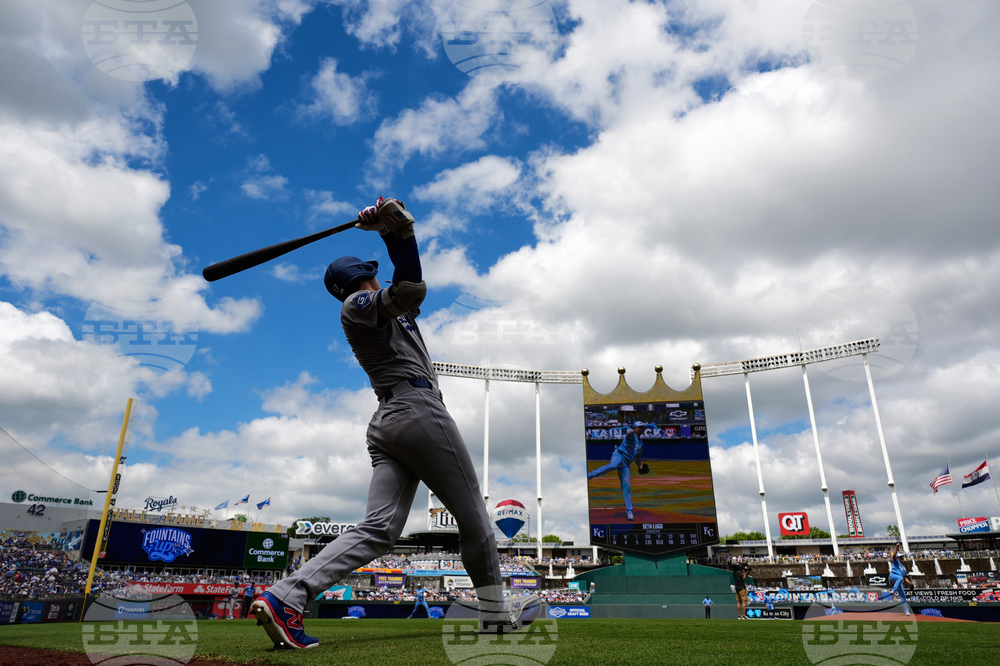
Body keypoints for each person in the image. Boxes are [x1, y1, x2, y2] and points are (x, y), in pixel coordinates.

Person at [251, 197, 539, 649]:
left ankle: (287, 595)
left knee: (380, 529)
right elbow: (410, 289)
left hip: (390, 419)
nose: (378, 276)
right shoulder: (357, 304)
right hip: (416, 412)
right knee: (478, 523)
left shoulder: (378, 308)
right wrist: (402, 232)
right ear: (361, 278)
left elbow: (406, 293)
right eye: (372, 271)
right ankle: (496, 616)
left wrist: (388, 231)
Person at [587, 421, 645, 520]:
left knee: (626, 486)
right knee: (613, 465)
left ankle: (629, 511)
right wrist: (632, 430)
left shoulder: (641, 443)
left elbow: (637, 457)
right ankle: (590, 475)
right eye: (640, 427)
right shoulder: (632, 436)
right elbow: (628, 435)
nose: (643, 428)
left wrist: (640, 466)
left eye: (643, 427)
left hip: (626, 463)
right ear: (636, 428)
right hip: (619, 455)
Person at [880, 543, 912, 615]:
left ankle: (906, 611)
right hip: (893, 576)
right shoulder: (896, 561)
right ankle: (893, 590)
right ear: (898, 558)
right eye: (900, 557)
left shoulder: (904, 568)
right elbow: (894, 555)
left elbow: (905, 577)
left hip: (899, 581)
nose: (901, 558)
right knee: (900, 578)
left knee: (903, 596)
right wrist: (896, 547)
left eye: (902, 557)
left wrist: (910, 583)